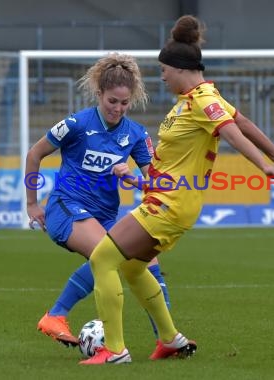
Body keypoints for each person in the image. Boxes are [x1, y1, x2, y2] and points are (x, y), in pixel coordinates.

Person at [80, 15, 274, 365]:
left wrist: (265, 165)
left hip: (169, 204)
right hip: (168, 200)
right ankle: (170, 340)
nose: (162, 76)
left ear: (179, 68)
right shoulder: (202, 97)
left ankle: (114, 350)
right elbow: (242, 121)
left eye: (163, 71)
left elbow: (233, 130)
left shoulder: (201, 99)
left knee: (102, 260)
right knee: (131, 268)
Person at [25, 52, 170, 348]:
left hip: (105, 216)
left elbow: (153, 183)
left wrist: (132, 179)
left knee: (148, 257)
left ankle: (165, 339)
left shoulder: (136, 134)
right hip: (67, 208)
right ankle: (55, 315)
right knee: (111, 256)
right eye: (112, 102)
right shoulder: (76, 124)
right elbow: (34, 154)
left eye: (124, 103)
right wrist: (31, 204)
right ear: (99, 93)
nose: (118, 109)